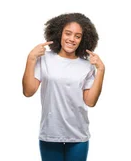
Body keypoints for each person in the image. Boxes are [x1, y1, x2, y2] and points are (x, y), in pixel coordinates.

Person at [21, 12, 105, 161]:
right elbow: (28, 91)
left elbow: (90, 102)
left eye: (77, 36)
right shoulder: (45, 59)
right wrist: (31, 58)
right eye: (68, 33)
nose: (72, 39)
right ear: (59, 33)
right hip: (50, 133)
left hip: (78, 135)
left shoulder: (87, 66)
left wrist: (101, 70)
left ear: (83, 39)